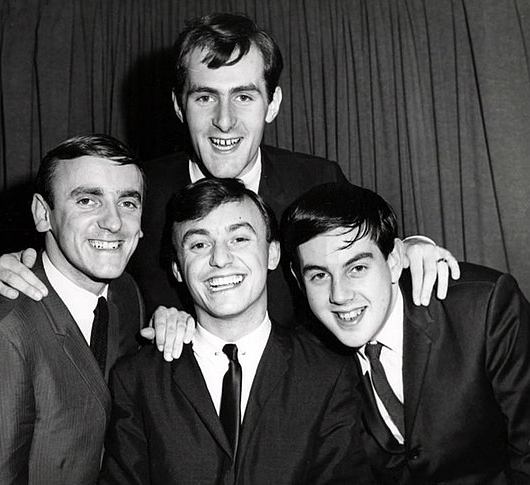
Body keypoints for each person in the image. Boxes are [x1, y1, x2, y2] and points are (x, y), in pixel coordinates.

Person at [0, 13, 458, 357]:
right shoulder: (137, 194)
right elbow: (83, 261)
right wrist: (21, 268)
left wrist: (413, 246)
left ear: (272, 104)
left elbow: (364, 261)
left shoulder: (316, 179)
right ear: (180, 106)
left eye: (244, 96)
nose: (225, 121)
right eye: (206, 97)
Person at [99, 178, 372, 484]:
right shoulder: (137, 380)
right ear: (176, 267)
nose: (220, 258)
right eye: (199, 245)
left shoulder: (328, 374)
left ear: (272, 254)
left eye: (239, 239)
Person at [282, 182, 530, 484]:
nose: (340, 295)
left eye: (357, 268)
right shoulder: (307, 354)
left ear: (395, 259)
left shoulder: (485, 307)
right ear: (298, 280)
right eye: (320, 275)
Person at [0, 135, 147, 484]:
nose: (114, 222)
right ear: (43, 214)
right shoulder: (0, 338)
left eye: (128, 203)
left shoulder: (127, 293)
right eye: (87, 200)